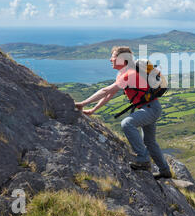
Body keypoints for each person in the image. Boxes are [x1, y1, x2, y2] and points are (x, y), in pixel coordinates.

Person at [74, 46, 172, 179]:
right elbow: (109, 95)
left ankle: (143, 160)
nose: (110, 59)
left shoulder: (129, 74)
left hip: (150, 108)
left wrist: (82, 104)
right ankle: (165, 171)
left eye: (113, 57)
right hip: (150, 108)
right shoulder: (124, 73)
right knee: (149, 141)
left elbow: (105, 91)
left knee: (127, 123)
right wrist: (92, 110)